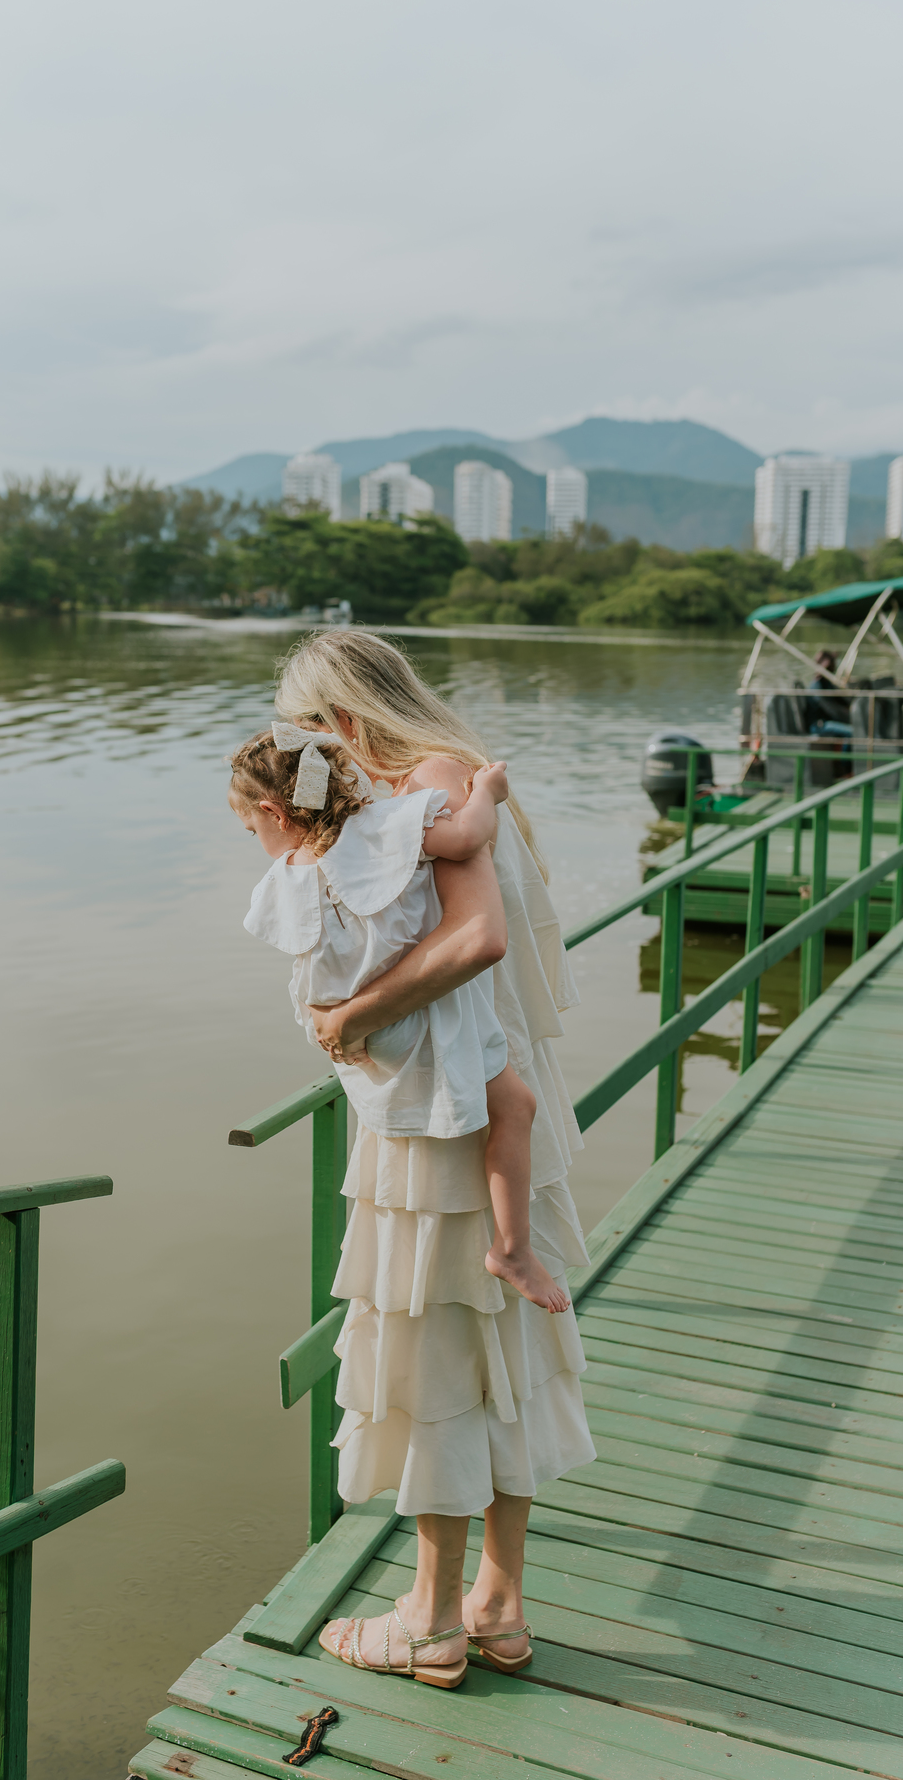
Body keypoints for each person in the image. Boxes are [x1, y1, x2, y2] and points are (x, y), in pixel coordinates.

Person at [263, 629, 595, 1688]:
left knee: (439, 1358)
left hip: (443, 1123)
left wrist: (352, 1015)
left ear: (344, 719)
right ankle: (496, 1602)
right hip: (486, 1111)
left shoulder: (432, 782)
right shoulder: (444, 788)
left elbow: (480, 939)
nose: (311, 754)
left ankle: (431, 1620)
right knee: (497, 1357)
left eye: (311, 731)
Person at [230, 724, 568, 1314]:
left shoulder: (286, 877)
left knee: (487, 1111)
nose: (258, 841)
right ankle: (512, 1250)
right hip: (421, 1014)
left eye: (252, 829)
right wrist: (488, 789)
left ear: (272, 812)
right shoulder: (383, 829)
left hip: (359, 1032)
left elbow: (305, 965)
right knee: (517, 1107)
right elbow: (467, 837)